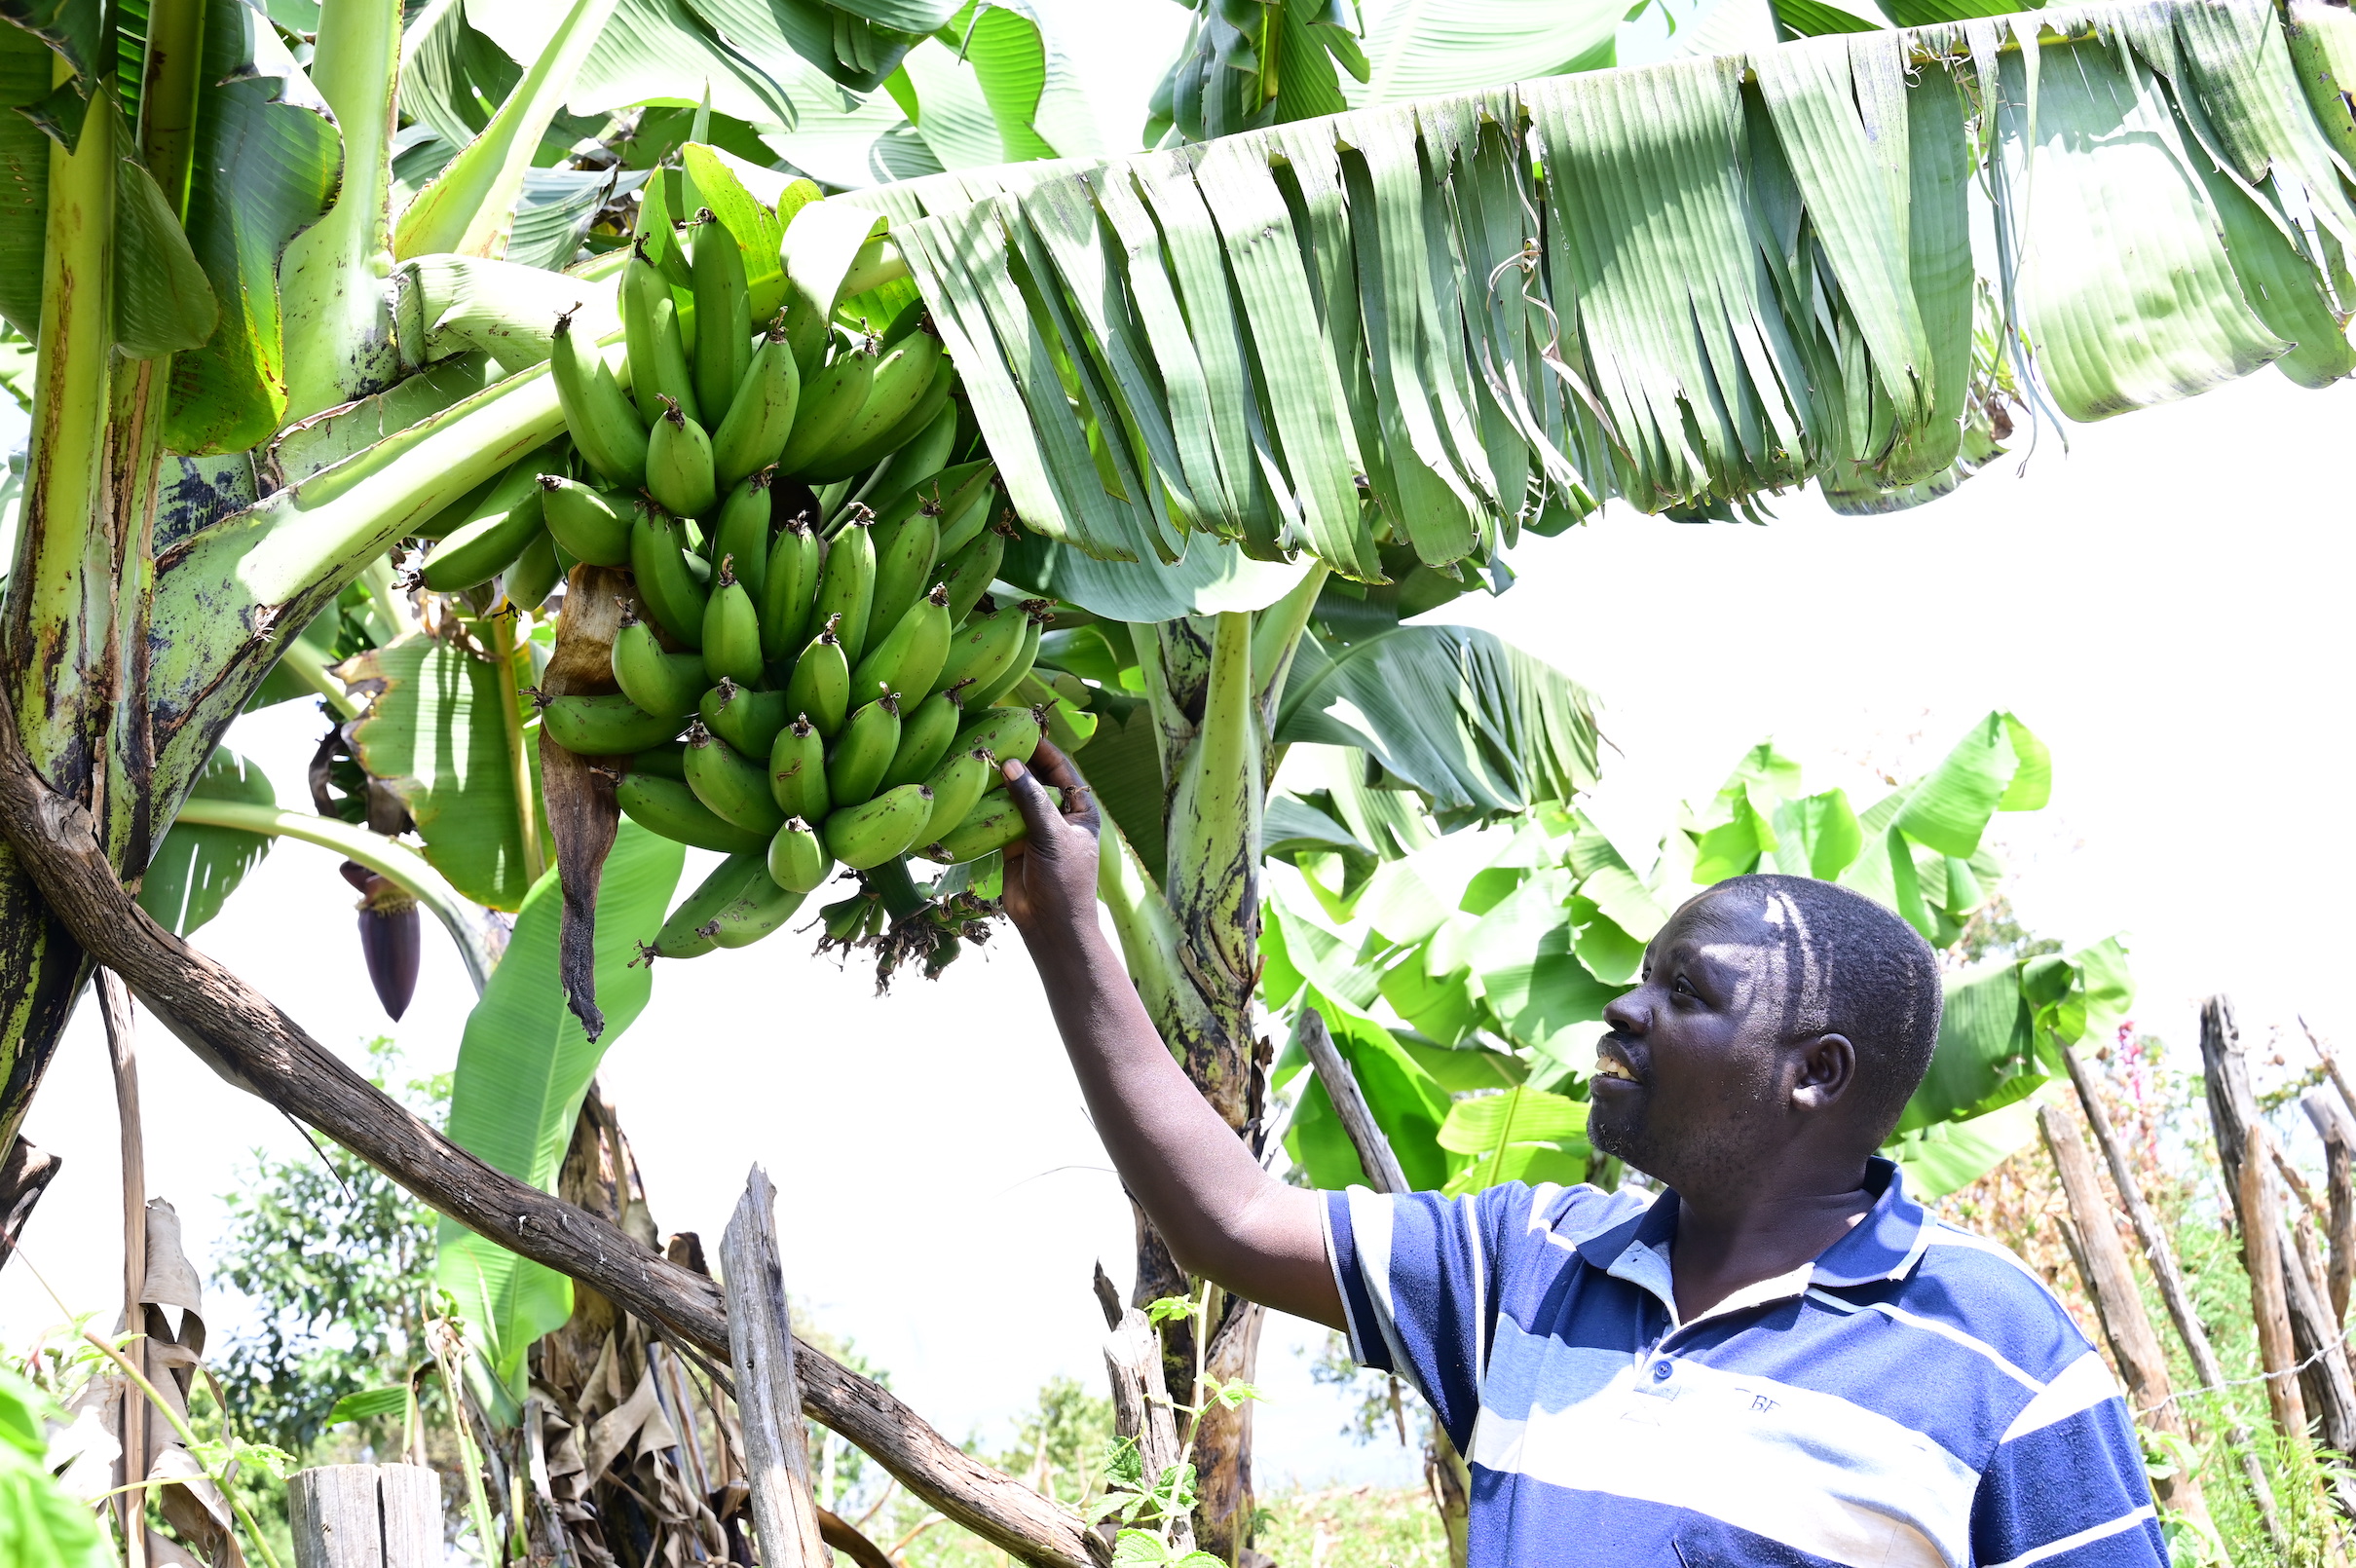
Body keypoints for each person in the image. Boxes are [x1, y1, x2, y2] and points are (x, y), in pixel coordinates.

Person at [996, 740, 2167, 1568]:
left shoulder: (2001, 1360)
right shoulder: (1529, 1260)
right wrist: (1066, 930)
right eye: (1642, 972)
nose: (1622, 1004)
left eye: (1686, 991)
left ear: (1814, 1073)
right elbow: (1235, 1221)